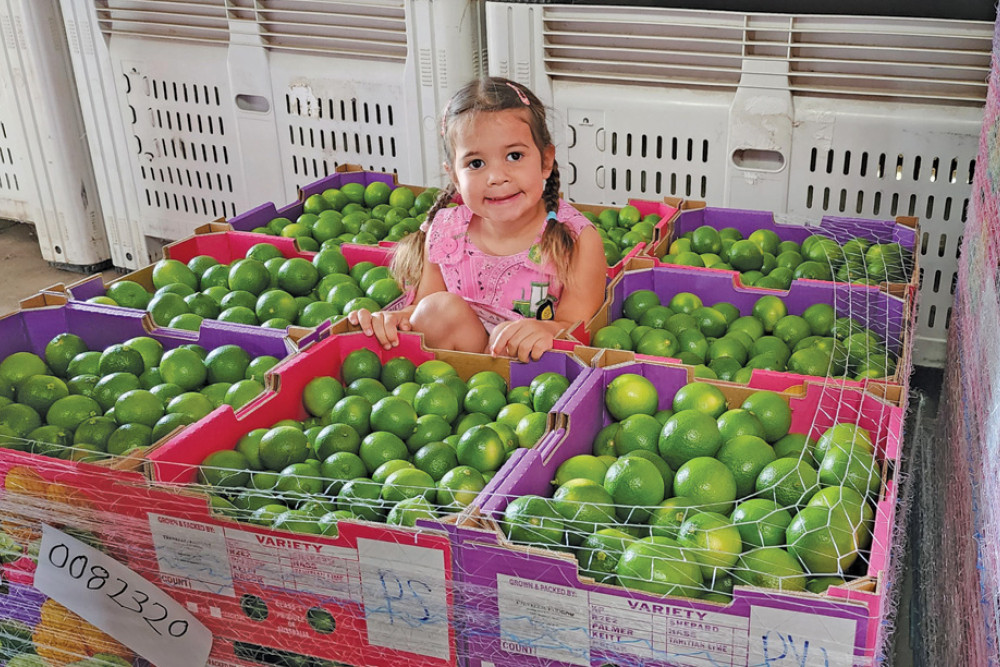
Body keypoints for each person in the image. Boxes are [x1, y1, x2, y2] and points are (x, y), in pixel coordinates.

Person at [348, 76, 606, 361]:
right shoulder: (446, 233)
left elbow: (577, 330)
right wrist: (389, 321)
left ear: (546, 161)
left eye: (515, 155)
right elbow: (423, 312)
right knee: (438, 309)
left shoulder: (577, 239)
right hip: (455, 385)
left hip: (533, 378)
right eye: (476, 164)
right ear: (454, 176)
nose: (496, 177)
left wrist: (546, 330)